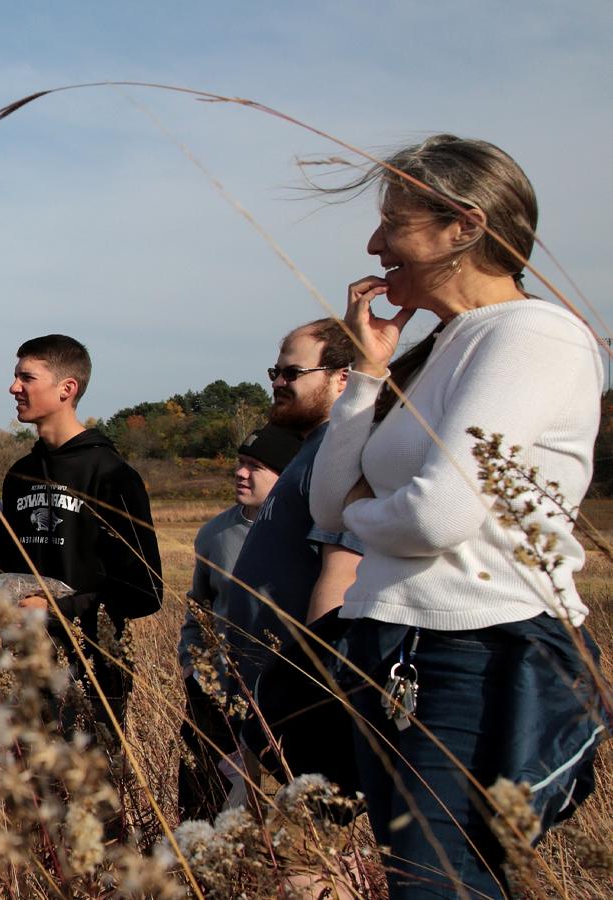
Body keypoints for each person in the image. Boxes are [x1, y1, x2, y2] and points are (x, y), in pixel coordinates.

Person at [310, 135, 604, 898]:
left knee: (438, 882)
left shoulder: (532, 336)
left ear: (463, 227)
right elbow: (325, 503)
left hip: (474, 651)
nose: (374, 244)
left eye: (393, 222)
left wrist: (364, 512)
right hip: (394, 642)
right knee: (425, 876)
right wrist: (368, 376)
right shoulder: (442, 347)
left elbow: (438, 516)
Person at [0, 335, 163, 755]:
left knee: (87, 806)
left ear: (66, 389)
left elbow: (146, 591)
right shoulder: (20, 474)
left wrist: (56, 610)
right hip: (27, 666)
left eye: (26, 377)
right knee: (29, 803)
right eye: (16, 376)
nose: (14, 387)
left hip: (92, 670)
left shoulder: (111, 475)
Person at [222, 320, 365, 801]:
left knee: (306, 858)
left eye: (293, 373)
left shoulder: (340, 456)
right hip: (262, 703)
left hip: (294, 711)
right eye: (275, 373)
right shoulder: (310, 451)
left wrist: (312, 699)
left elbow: (341, 576)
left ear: (342, 378)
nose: (279, 384)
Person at [176, 425, 301, 821]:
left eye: (256, 467)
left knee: (275, 811)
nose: (241, 474)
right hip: (213, 694)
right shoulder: (216, 533)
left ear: (285, 475)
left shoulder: (304, 534)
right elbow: (199, 607)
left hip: (278, 697)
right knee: (201, 799)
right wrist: (191, 667)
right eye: (241, 464)